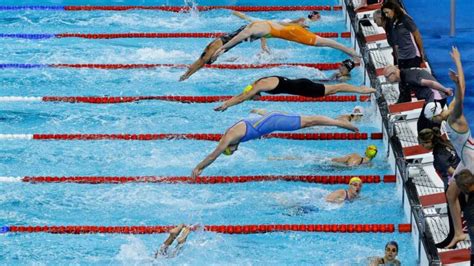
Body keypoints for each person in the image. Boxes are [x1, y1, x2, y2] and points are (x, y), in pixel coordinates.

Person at [191, 109, 358, 177]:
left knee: (310, 122)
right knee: (310, 122)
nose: (234, 151)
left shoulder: (229, 138)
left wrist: (199, 167)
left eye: (230, 151)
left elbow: (213, 155)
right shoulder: (234, 135)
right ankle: (340, 121)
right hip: (272, 119)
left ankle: (341, 123)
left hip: (275, 121)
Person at [441, 47, 474, 249]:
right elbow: (462, 87)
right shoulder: (453, 110)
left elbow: (461, 95)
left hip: (471, 160)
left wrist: (457, 84)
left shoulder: (455, 118)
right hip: (465, 157)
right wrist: (458, 61)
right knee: (450, 194)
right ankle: (459, 233)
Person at [210, 20, 361, 63]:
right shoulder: (255, 25)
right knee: (325, 42)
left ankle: (352, 52)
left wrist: (219, 51)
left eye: (249, 40)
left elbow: (235, 40)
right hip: (291, 29)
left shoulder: (250, 31)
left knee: (326, 42)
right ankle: (351, 52)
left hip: (293, 34)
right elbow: (278, 23)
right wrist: (296, 23)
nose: (250, 41)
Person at [213, 75, 375, 111]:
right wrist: (227, 102)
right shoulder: (259, 82)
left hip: (304, 89)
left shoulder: (259, 87)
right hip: (301, 82)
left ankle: (360, 90)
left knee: (337, 88)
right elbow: (242, 94)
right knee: (336, 87)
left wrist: (226, 105)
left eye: (253, 98)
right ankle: (359, 89)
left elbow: (242, 97)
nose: (254, 98)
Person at [381, 1, 425, 69]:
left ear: (393, 9)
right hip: (401, 57)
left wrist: (421, 51)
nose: (386, 15)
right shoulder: (392, 22)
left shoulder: (406, 19)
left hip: (412, 55)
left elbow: (417, 36)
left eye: (387, 12)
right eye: (385, 13)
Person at [383, 64, 453, 104]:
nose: (387, 80)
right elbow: (404, 97)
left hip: (436, 98)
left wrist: (445, 90)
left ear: (393, 73)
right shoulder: (404, 75)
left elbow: (431, 83)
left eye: (387, 77)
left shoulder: (409, 77)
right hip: (431, 97)